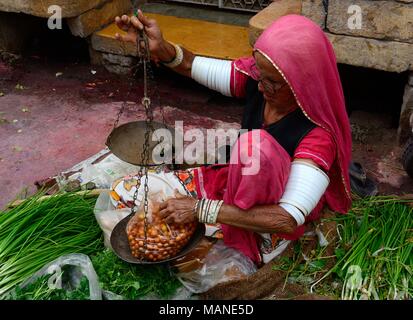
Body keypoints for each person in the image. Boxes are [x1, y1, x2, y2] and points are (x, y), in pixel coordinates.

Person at [111, 11, 352, 265]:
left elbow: (287, 218)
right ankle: (223, 224)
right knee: (122, 193)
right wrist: (162, 48)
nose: (259, 86)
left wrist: (199, 209)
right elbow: (191, 65)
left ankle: (251, 242)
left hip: (269, 213)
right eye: (259, 74)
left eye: (271, 83)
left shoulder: (318, 136)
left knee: (255, 148)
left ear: (301, 83)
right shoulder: (258, 78)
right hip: (230, 183)